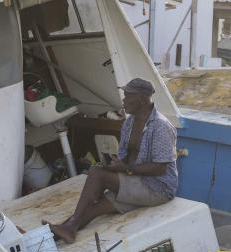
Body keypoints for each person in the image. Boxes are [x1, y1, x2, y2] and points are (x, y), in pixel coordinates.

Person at [46, 78, 178, 243]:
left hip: (157, 188)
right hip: (134, 181)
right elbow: (125, 157)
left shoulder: (161, 127)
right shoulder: (129, 122)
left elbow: (160, 169)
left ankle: (66, 229)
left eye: (128, 96)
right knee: (93, 207)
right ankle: (54, 235)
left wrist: (126, 169)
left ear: (143, 99)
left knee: (96, 174)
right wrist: (114, 165)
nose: (123, 100)